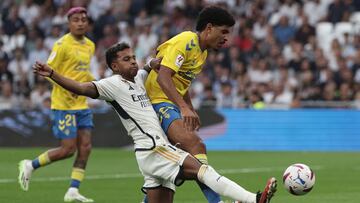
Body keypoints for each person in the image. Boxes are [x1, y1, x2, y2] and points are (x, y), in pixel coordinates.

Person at [32, 42, 277, 203]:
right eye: (126, 59)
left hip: (150, 155)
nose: (133, 61)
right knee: (204, 171)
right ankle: (253, 200)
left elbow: (149, 67)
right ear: (114, 66)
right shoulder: (111, 85)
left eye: (133, 57)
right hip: (154, 149)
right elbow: (82, 87)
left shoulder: (138, 77)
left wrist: (152, 63)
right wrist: (53, 74)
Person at [145, 5, 235, 203]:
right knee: (196, 145)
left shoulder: (202, 53)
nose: (226, 38)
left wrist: (190, 107)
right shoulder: (186, 40)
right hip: (156, 102)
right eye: (224, 31)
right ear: (209, 28)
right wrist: (184, 108)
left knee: (162, 183)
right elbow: (163, 78)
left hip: (168, 103)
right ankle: (216, 201)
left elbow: (181, 84)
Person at [18, 7, 96, 202]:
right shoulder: (61, 45)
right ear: (69, 23)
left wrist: (99, 85)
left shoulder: (90, 46)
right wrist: (65, 86)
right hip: (64, 105)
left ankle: (73, 190)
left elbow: (84, 73)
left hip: (82, 105)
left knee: (85, 147)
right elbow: (47, 73)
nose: (80, 23)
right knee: (68, 150)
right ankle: (31, 164)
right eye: (76, 20)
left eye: (83, 20)